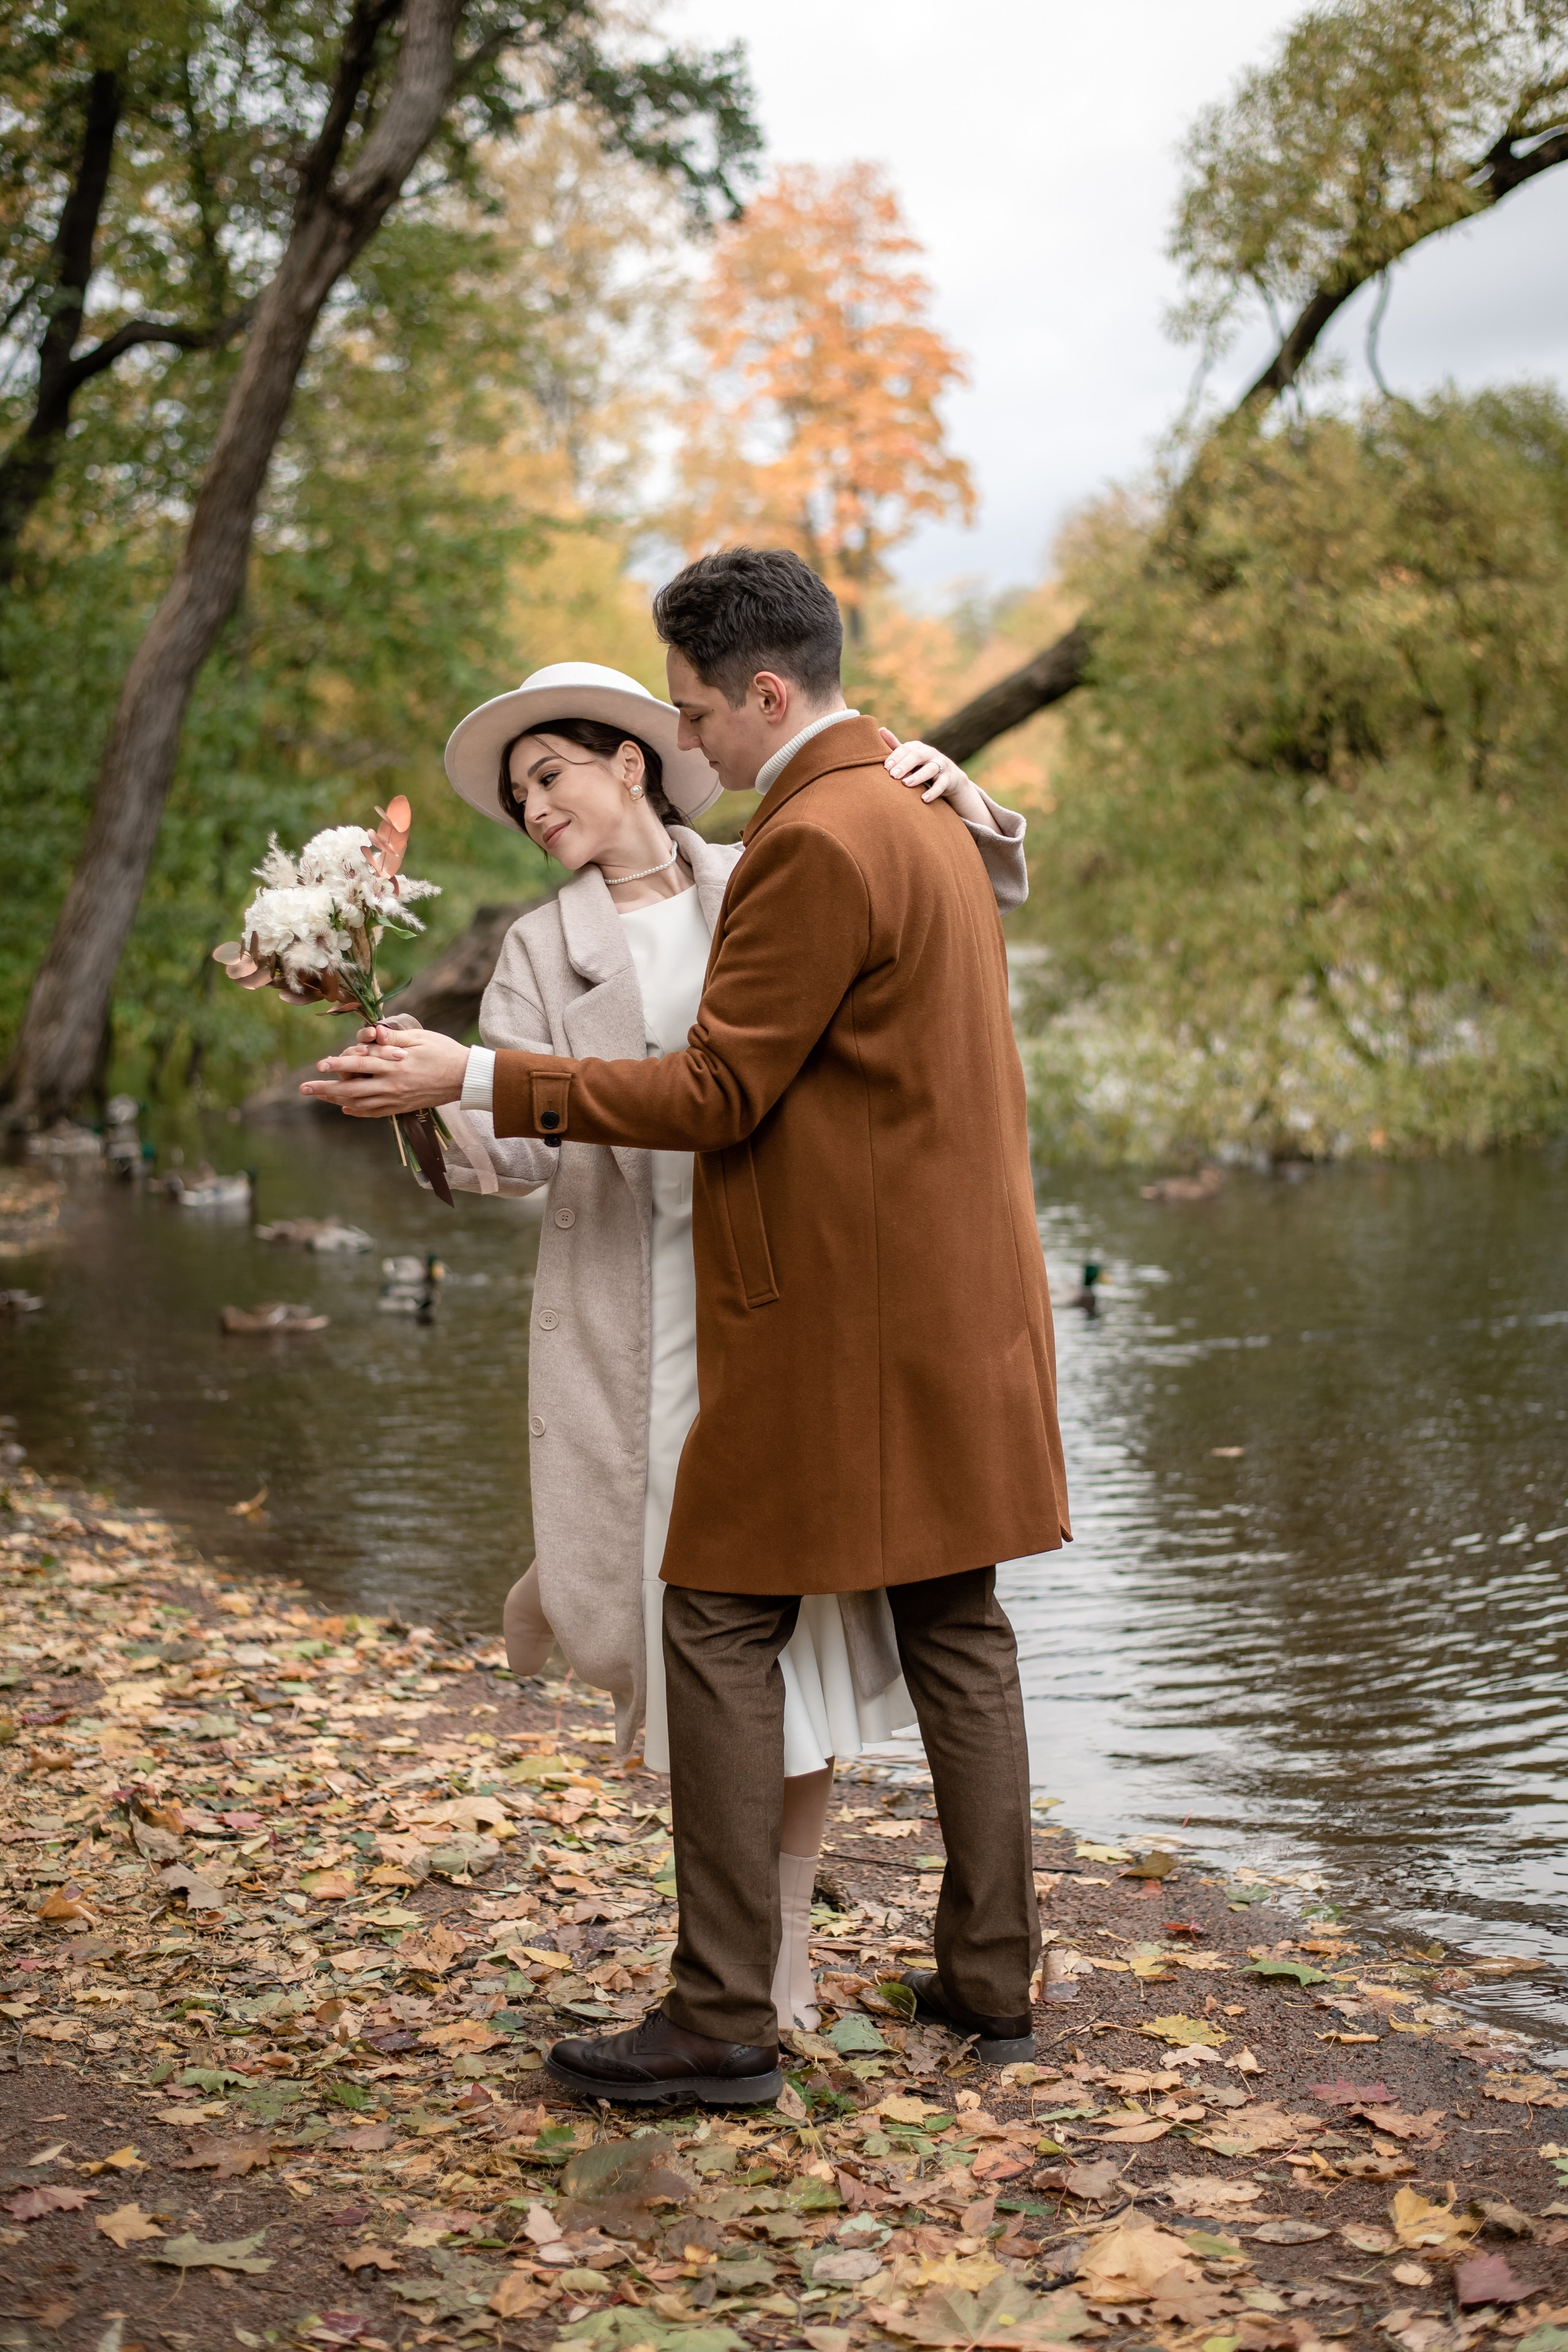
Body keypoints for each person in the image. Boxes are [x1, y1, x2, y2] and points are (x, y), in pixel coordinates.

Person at [306, 548, 1071, 2108]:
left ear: (761, 696)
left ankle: (723, 2016)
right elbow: (958, 881)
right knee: (954, 1627)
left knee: (714, 1617)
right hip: (959, 1303)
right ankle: (989, 1983)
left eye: (698, 713)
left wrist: (468, 1074)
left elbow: (722, 1094)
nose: (695, 739)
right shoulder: (903, 809)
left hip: (818, 1320)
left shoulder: (800, 839)